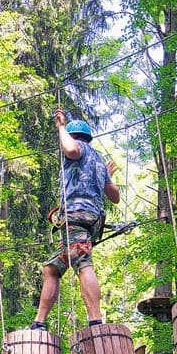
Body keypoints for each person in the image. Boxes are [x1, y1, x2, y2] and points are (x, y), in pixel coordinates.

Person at [28, 110, 120, 331]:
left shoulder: (77, 149)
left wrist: (61, 127)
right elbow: (114, 197)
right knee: (52, 268)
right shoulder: (97, 160)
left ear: (73, 135)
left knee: (82, 261)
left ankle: (95, 320)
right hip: (91, 219)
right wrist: (105, 176)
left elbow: (71, 149)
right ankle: (39, 322)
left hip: (75, 215)